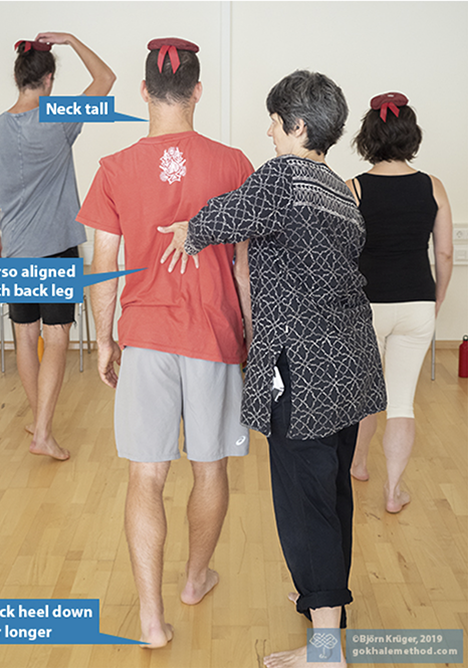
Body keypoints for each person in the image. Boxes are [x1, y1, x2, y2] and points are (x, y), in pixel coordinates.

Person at [162, 70, 386, 668]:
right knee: (332, 493)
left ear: (299, 127)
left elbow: (225, 216)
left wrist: (188, 229)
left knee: (304, 500)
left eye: (275, 122)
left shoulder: (285, 176)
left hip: (306, 373)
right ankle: (324, 602)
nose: (268, 131)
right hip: (350, 363)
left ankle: (323, 648)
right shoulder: (341, 188)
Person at [76, 38, 253, 648]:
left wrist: (103, 341)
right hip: (213, 334)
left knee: (145, 476)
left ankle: (150, 623)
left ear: (145, 92)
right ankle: (195, 579)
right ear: (197, 91)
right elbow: (243, 268)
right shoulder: (233, 163)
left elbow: (105, 261)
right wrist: (250, 338)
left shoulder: (115, 167)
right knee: (210, 467)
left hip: (145, 335)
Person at [0, 32, 115, 461]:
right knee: (57, 338)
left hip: (14, 250)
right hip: (55, 249)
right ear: (49, 80)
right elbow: (106, 78)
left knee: (25, 337)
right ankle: (42, 433)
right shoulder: (58, 119)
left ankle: (39, 420)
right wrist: (72, 40)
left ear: (20, 78)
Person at [346, 92, 453, 513]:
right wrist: (436, 299)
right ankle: (394, 491)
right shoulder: (433, 186)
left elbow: (342, 255)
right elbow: (443, 255)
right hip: (416, 304)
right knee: (402, 401)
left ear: (368, 137)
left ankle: (357, 464)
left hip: (366, 305)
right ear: (412, 136)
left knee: (365, 395)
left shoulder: (352, 188)